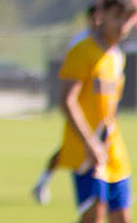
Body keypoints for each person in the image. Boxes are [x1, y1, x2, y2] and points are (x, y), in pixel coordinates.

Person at [9, 0, 137, 223]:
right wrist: (89, 143)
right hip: (86, 153)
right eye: (118, 16)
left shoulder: (116, 56)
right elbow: (66, 100)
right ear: (102, 16)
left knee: (122, 221)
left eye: (128, 18)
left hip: (112, 151)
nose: (123, 24)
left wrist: (106, 143)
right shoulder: (82, 51)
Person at [30, 5, 97, 206]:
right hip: (80, 105)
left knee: (105, 147)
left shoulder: (109, 44)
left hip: (99, 107)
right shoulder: (81, 42)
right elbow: (71, 73)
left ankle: (112, 191)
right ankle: (43, 182)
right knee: (69, 149)